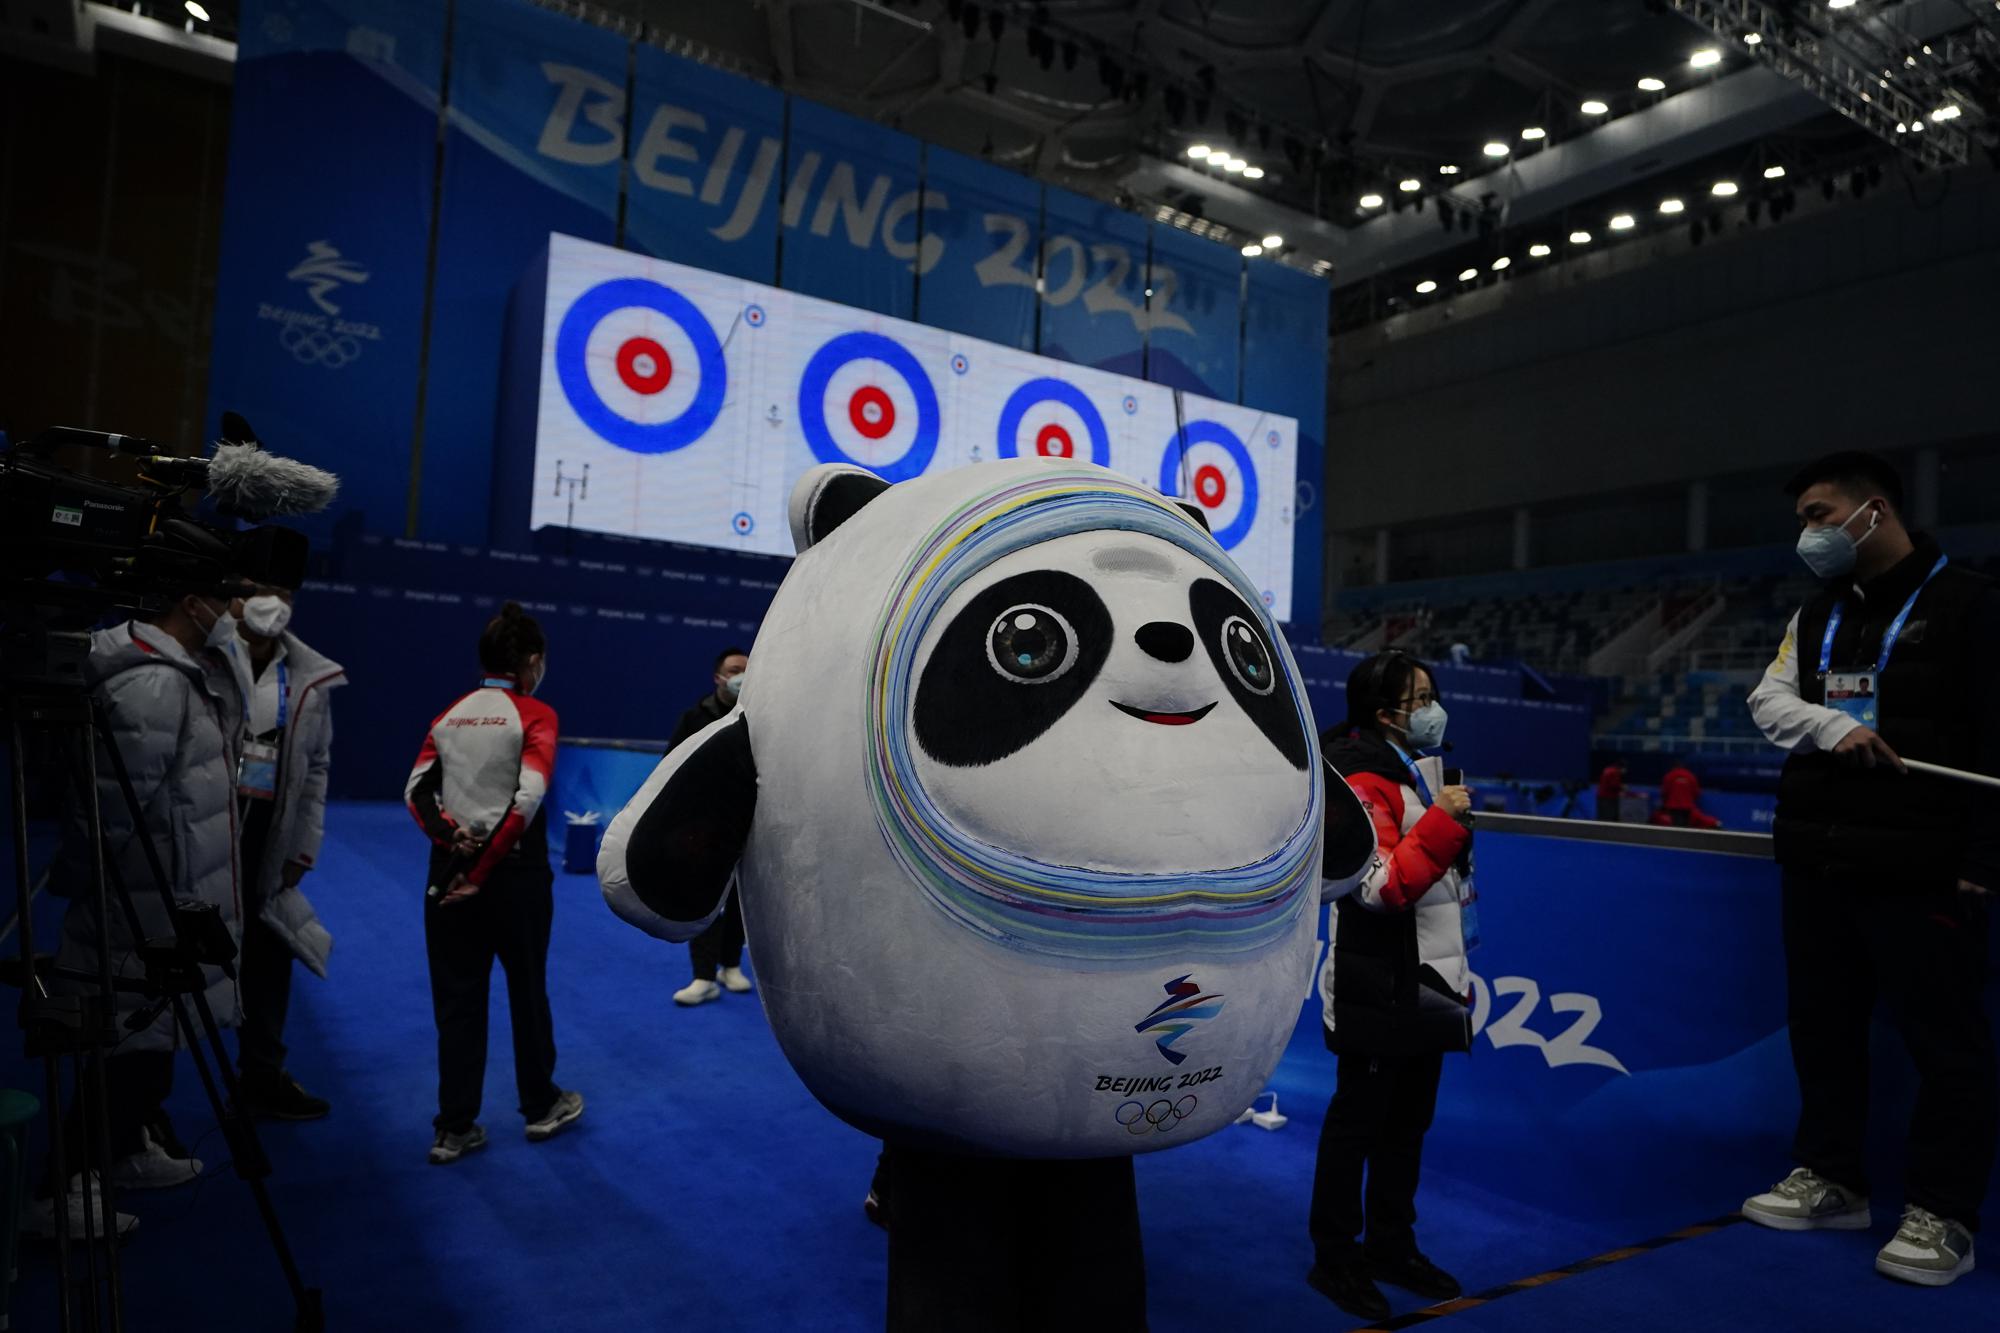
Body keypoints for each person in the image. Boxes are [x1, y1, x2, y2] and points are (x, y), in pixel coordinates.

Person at [1742, 451, 1997, 1288]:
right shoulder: (1816, 614)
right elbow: (1768, 701)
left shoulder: (1972, 602)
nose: (1808, 534)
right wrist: (1829, 726)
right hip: (1818, 859)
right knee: (1824, 1032)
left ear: (1872, 511)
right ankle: (1834, 1179)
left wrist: (1980, 862)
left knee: (1946, 1047)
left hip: (1923, 866)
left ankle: (1945, 1212)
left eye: (1819, 515)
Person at [26, 564, 249, 1238]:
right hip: (138, 901)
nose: (237, 609)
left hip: (171, 894)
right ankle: (59, 1188)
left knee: (152, 1038)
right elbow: (110, 812)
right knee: (128, 1043)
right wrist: (83, 881)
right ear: (191, 602)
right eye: (226, 598)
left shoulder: (179, 667)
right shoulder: (151, 680)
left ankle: (122, 1152)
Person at [1308, 650, 1476, 1321]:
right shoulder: (1360, 774)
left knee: (1407, 1125)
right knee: (1359, 1123)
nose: (1435, 707)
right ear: (1386, 713)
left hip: (1429, 976)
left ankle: (1389, 1244)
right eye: (1422, 696)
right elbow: (1377, 887)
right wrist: (1443, 820)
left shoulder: (1415, 769)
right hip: (1373, 977)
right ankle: (1335, 1256)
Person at [404, 602, 583, 1164]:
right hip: (515, 876)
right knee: (527, 991)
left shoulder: (448, 715)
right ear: (532, 661)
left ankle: (454, 1127)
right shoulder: (536, 714)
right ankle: (540, 1106)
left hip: (448, 872)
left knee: (457, 1001)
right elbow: (527, 802)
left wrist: (453, 844)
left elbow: (415, 793)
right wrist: (481, 871)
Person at [228, 583, 344, 1120]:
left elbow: (315, 769)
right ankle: (143, 1100)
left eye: (283, 592)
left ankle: (262, 1074)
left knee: (270, 954)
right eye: (257, 590)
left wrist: (304, 845)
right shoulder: (202, 659)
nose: (272, 602)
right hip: (202, 825)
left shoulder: (308, 677)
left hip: (268, 836)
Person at [663, 646, 752, 1006]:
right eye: (734, 670)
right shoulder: (694, 717)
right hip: (702, 829)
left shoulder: (759, 718)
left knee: (740, 902)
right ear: (718, 678)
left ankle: (730, 966)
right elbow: (670, 767)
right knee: (703, 901)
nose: (741, 677)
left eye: (747, 670)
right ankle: (702, 977)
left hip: (746, 825)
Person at [1650, 762, 1719, 830]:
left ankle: (1678, 838)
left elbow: (1664, 792)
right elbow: (1696, 792)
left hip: (1674, 806)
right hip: (1687, 806)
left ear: (1673, 767)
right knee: (1686, 825)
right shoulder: (1690, 776)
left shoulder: (1670, 775)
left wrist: (1666, 802)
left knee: (1676, 825)